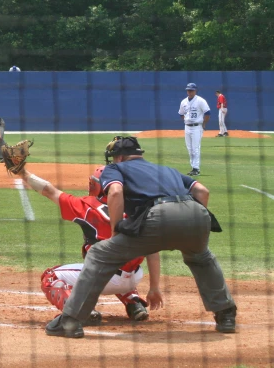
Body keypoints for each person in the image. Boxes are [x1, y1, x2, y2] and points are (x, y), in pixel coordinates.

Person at [44, 136, 236, 339]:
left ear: (119, 157)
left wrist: (116, 231)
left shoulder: (116, 169)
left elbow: (115, 193)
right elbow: (201, 191)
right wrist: (190, 223)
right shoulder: (166, 169)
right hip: (198, 214)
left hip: (158, 215)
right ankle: (226, 315)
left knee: (100, 255)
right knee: (201, 258)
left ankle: (70, 321)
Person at [17, 164, 157, 323]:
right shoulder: (138, 207)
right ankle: (134, 302)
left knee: (50, 276)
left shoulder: (87, 206)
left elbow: (49, 191)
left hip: (105, 278)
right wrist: (155, 287)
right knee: (121, 258)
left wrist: (23, 173)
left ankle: (80, 311)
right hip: (135, 276)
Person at [178, 83, 210, 176]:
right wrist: (186, 121)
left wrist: (204, 124)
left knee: (195, 148)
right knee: (189, 148)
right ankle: (193, 167)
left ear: (195, 91)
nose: (189, 92)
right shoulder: (184, 101)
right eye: (188, 90)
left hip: (197, 127)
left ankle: (196, 168)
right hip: (187, 127)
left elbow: (207, 112)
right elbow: (181, 113)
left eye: (191, 90)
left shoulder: (200, 101)